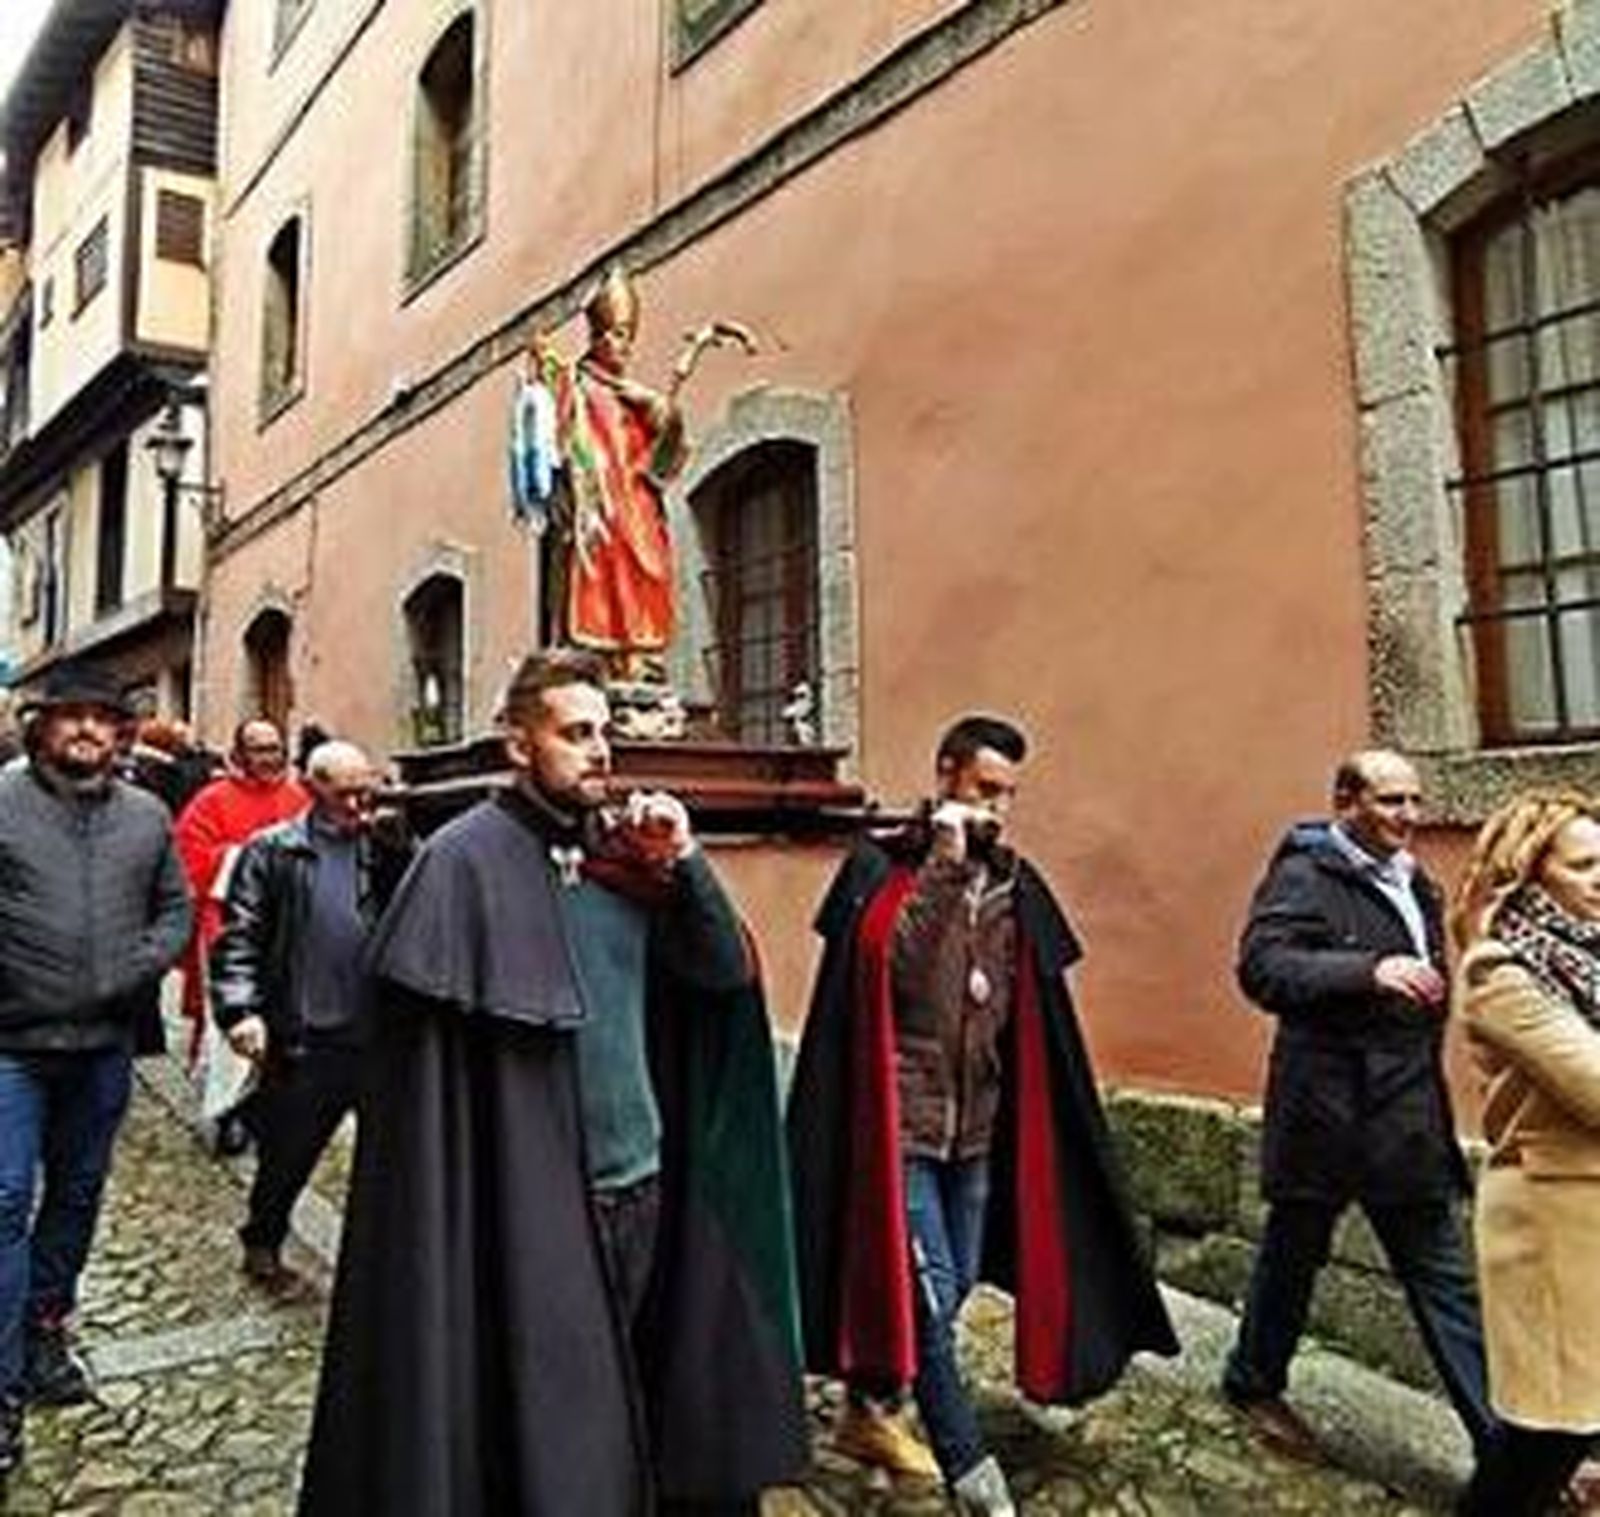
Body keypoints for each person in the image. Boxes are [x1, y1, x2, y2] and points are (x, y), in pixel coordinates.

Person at [297, 648, 806, 1515]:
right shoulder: (460, 863)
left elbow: (722, 975)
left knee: (652, 1398)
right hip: (533, 1204)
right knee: (557, 1423)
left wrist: (686, 863)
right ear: (519, 744)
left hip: (646, 1185)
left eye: (604, 732)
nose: (598, 750)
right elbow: (427, 1091)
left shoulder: (628, 858)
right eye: (575, 733)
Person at [786, 714, 1178, 1515]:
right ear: (946, 774)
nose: (998, 806)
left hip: (979, 1130)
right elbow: (894, 964)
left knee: (954, 1281)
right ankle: (972, 1469)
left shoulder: (1013, 883)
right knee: (929, 1297)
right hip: (900, 1124)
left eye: (1008, 793)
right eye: (984, 787)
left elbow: (1034, 1010)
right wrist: (942, 862)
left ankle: (867, 1408)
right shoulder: (883, 865)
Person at [1221, 750, 1495, 1464]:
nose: (1410, 815)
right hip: (1327, 1113)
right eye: (1392, 801)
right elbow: (1262, 967)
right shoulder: (1304, 875)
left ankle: (1509, 1452)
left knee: (1445, 1282)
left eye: (1414, 800)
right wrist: (1367, 969)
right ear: (1347, 800)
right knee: (1292, 1256)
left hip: (1403, 1117)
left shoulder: (1414, 881)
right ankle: (1253, 1381)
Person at [0, 663, 192, 1474]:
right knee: (4, 1201)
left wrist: (130, 969)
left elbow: (175, 908)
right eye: (70, 717)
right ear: (41, 728)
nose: (86, 729)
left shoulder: (147, 816)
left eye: (102, 719)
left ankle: (46, 1330)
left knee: (76, 1197)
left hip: (102, 1047)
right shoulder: (2, 802)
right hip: (9, 1046)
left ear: (122, 734)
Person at [209, 741, 412, 1294]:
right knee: (288, 1153)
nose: (357, 805)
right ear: (313, 787)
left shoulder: (382, 845)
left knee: (392, 1158)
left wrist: (399, 846)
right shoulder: (273, 850)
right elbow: (239, 935)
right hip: (307, 1033)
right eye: (344, 793)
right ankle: (262, 1241)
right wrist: (240, 1009)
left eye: (365, 791)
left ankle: (383, 1263)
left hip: (373, 1031)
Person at [1451, 791, 1600, 1515]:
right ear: (1530, 874)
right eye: (1584, 863)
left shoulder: (1589, 956)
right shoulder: (1502, 973)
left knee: (1576, 1425)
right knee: (1548, 1430)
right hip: (1552, 1222)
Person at [174, 719, 310, 1139]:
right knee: (234, 1019)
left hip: (291, 930)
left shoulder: (301, 797)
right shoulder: (211, 801)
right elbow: (188, 858)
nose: (268, 757)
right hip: (229, 927)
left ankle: (274, 1102)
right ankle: (229, 1109)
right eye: (258, 749)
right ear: (238, 754)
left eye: (274, 747)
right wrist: (246, 858)